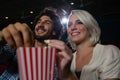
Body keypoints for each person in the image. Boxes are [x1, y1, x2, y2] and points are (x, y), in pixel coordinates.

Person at [46, 10, 120, 80]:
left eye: (79, 22)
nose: (73, 27)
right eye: (69, 25)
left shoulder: (109, 51)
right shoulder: (68, 58)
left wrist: (68, 75)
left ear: (90, 27)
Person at [0, 7, 63, 79]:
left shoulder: (55, 59)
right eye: (39, 22)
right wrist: (1, 40)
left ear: (54, 31)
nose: (40, 25)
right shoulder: (20, 44)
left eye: (47, 22)